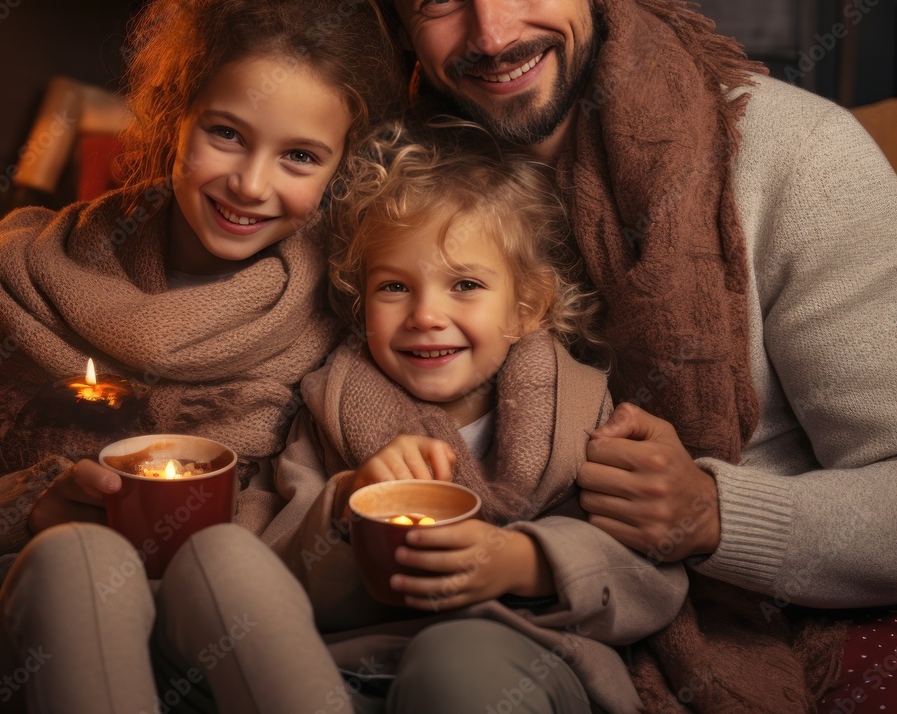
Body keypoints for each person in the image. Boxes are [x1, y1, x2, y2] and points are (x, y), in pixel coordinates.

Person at [316, 0, 897, 712]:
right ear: (401, 19)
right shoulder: (383, 180)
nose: (494, 34)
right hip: (438, 609)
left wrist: (713, 514)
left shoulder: (797, 160)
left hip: (693, 617)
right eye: (440, 0)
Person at [0, 0, 405, 713]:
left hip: (238, 645)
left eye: (299, 156)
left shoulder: (351, 307)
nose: (250, 183)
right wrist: (22, 508)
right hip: (51, 641)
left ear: (342, 168)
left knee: (226, 558)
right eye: (227, 134)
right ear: (176, 114)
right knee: (76, 555)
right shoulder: (37, 281)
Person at [262, 122, 687, 714]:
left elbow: (653, 577)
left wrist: (526, 562)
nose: (426, 315)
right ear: (361, 302)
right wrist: (348, 505)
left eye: (464, 284)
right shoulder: (329, 412)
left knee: (453, 669)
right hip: (356, 668)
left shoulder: (582, 416)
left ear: (525, 308)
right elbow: (275, 580)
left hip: (521, 663)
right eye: (393, 287)